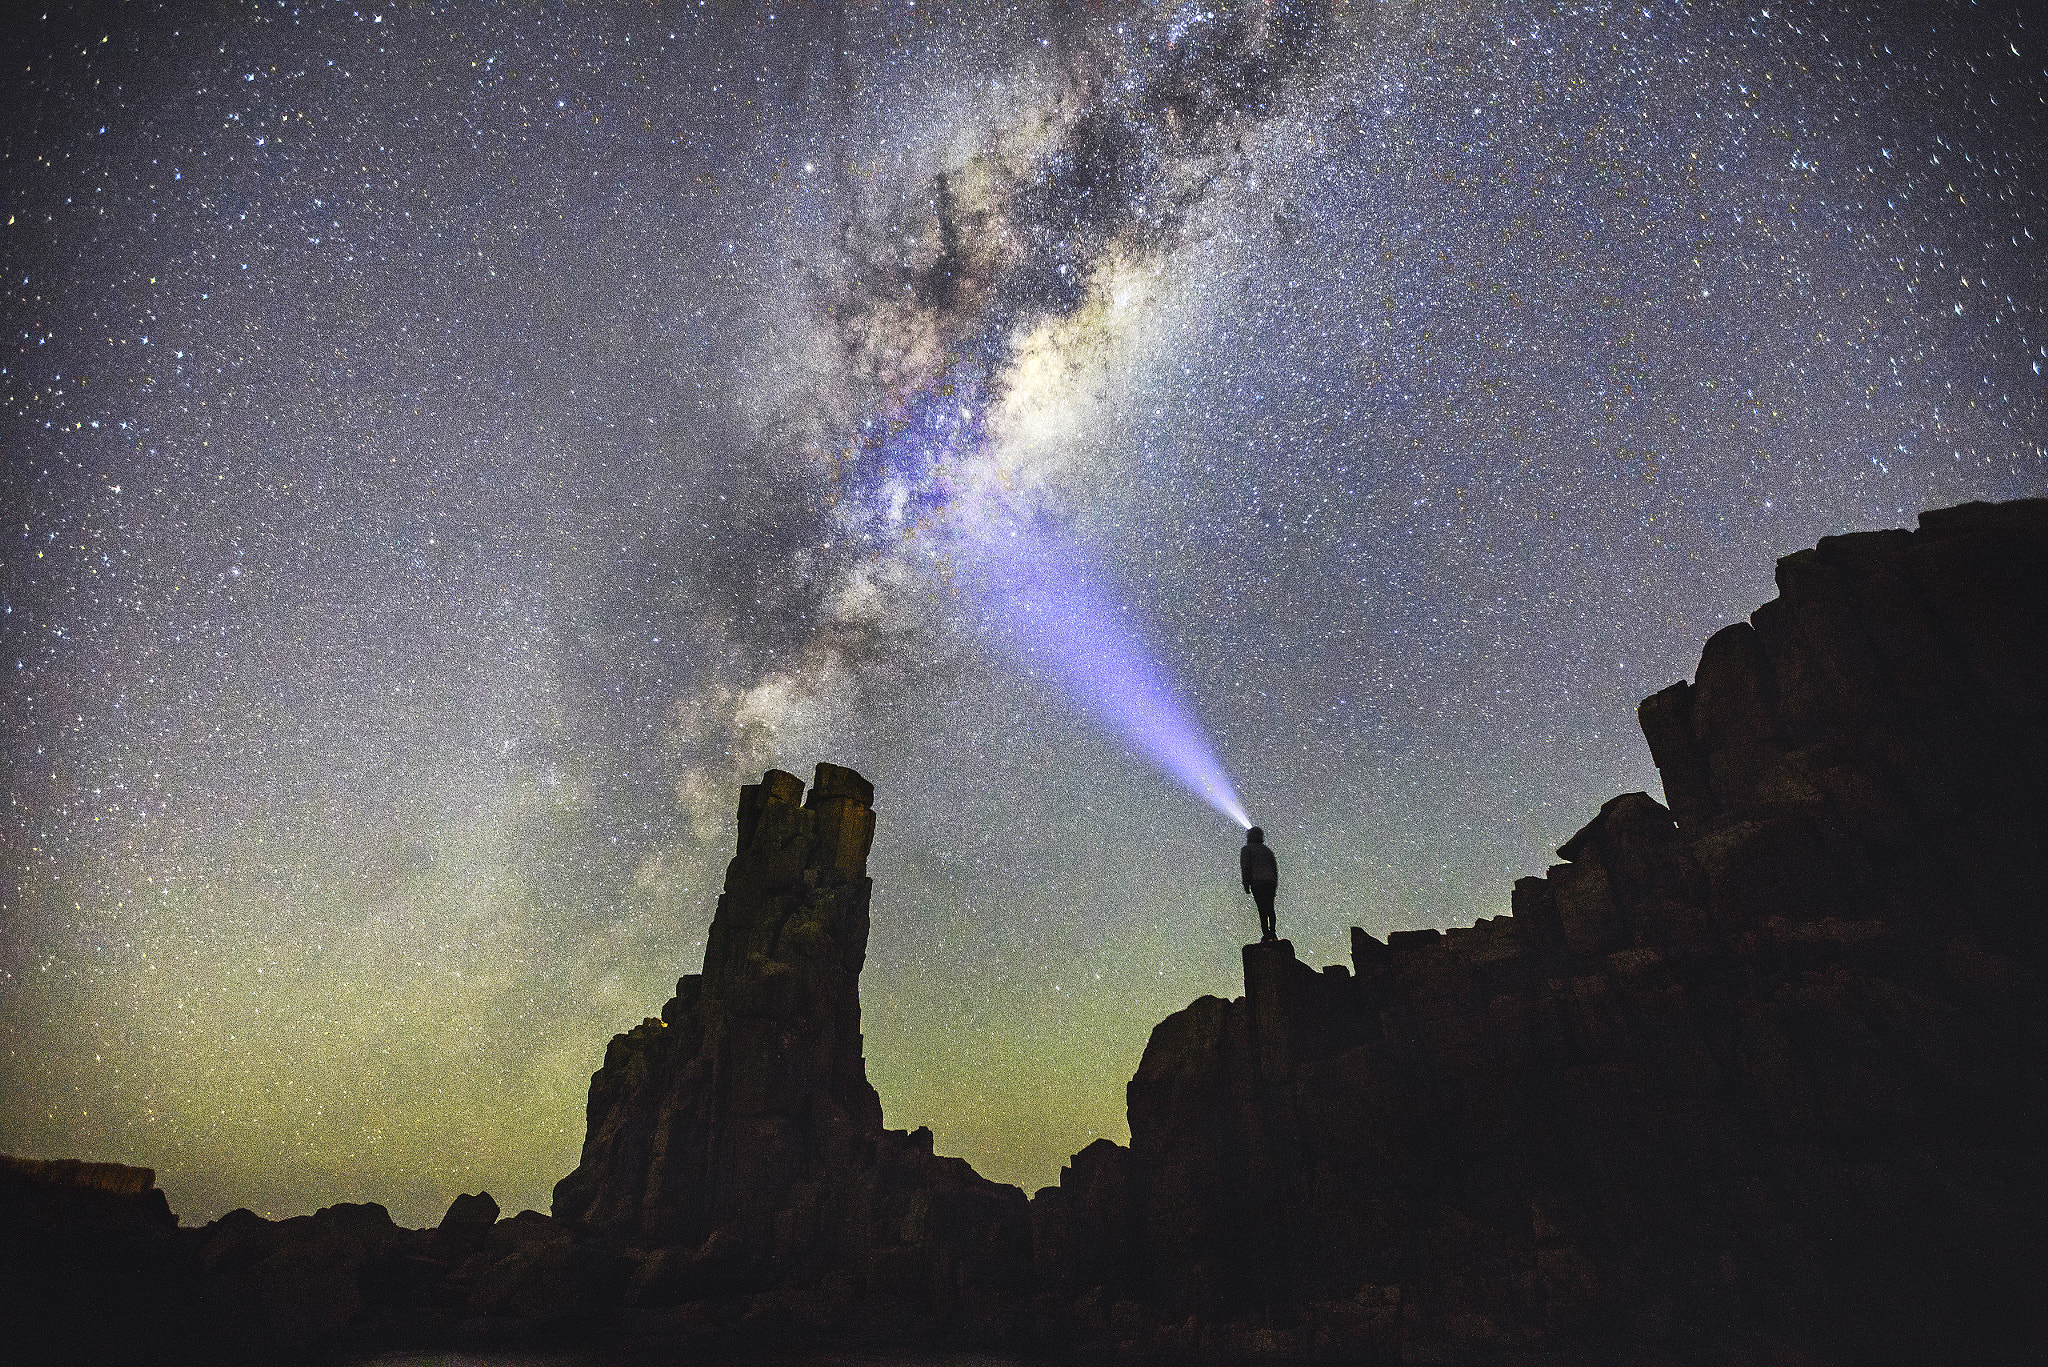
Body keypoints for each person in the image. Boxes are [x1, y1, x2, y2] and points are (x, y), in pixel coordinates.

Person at [1241, 826, 1278, 942]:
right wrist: (1274, 884)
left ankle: (1266, 934)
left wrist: (1246, 883)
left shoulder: (1247, 849)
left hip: (1258, 882)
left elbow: (1246, 867)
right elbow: (1274, 868)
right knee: (1270, 908)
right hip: (1270, 882)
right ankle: (1272, 932)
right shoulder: (1267, 851)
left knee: (1262, 909)